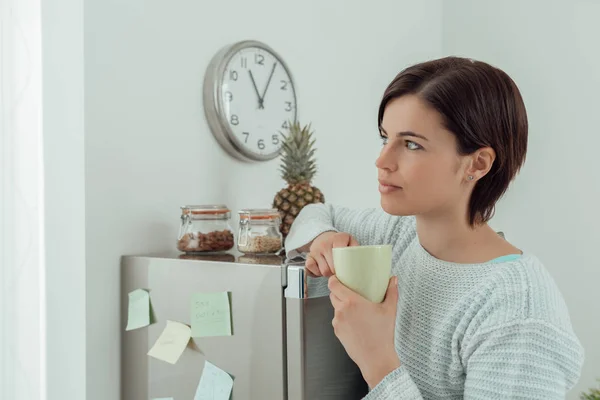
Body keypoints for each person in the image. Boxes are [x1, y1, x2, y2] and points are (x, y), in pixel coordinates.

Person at [284, 56, 584, 399]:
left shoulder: (518, 311)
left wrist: (377, 360)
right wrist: (324, 237)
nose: (382, 161)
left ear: (477, 163)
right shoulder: (398, 235)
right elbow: (313, 213)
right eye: (385, 138)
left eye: (412, 144)